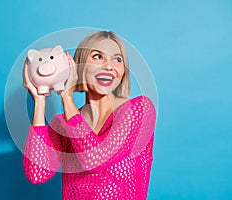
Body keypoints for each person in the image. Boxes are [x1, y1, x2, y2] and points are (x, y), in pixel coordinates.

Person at [22, 31, 156, 200]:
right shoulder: (63, 124)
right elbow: (36, 174)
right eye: (98, 56)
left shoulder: (139, 109)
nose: (109, 66)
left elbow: (94, 159)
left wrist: (67, 98)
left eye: (117, 59)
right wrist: (39, 102)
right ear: (79, 65)